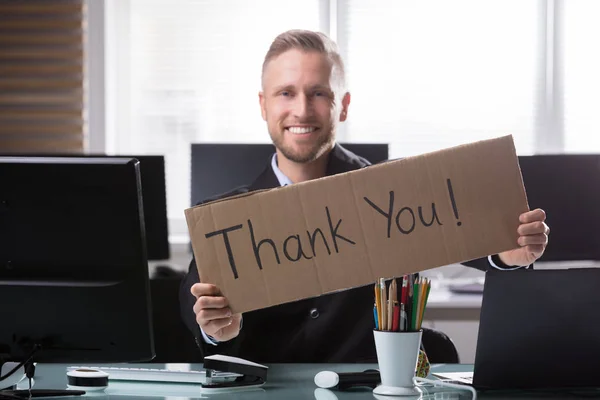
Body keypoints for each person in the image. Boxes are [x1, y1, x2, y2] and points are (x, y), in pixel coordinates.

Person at [179, 29, 550, 363]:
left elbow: (460, 234)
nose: (302, 110)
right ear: (263, 105)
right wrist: (217, 331)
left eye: (319, 93)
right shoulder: (221, 218)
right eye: (286, 93)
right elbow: (200, 316)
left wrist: (508, 254)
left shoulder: (393, 190)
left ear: (343, 104)